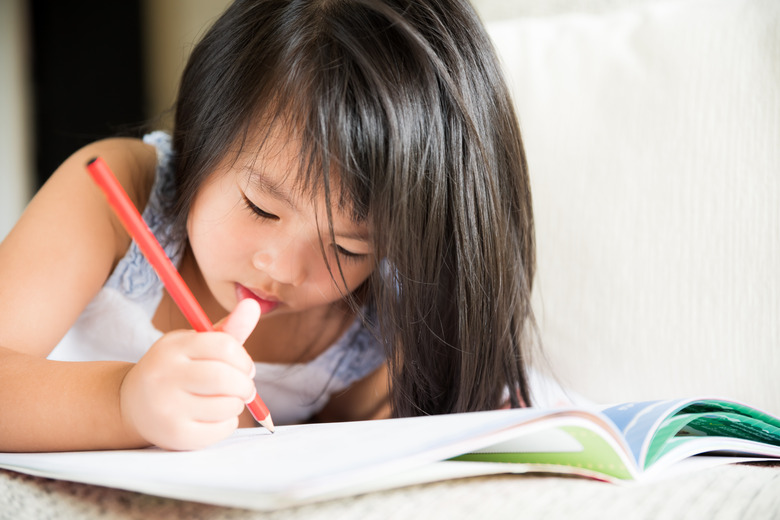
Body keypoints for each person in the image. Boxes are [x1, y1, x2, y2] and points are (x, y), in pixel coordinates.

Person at [0, 0, 536, 452]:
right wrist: (124, 402)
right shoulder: (119, 196)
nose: (280, 267)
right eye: (260, 208)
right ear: (200, 133)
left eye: (348, 249)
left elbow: (330, 448)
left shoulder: (374, 329)